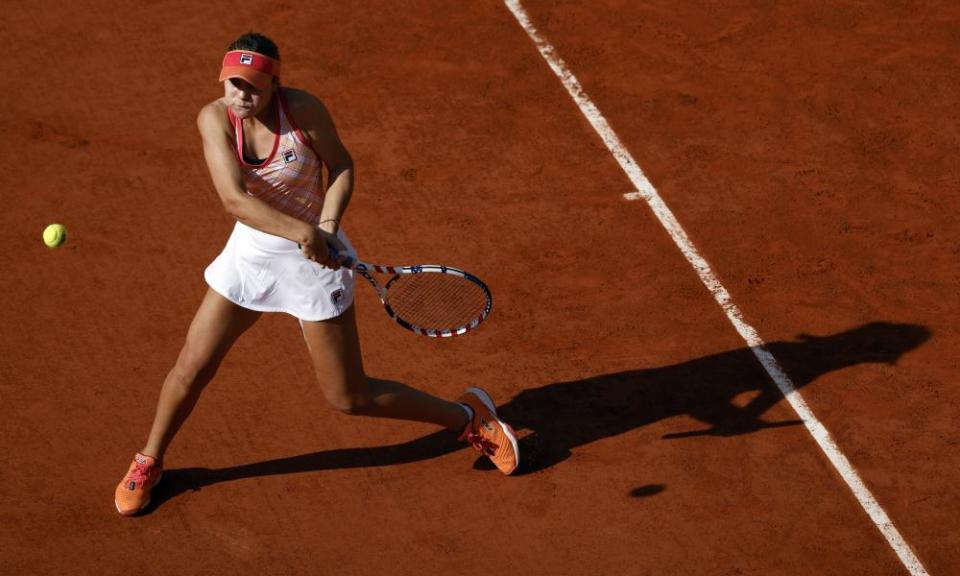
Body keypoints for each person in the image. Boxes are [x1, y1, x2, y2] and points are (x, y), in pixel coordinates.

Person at [114, 32, 519, 516]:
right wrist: (302, 232)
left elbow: (342, 165)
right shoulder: (214, 119)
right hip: (253, 254)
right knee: (192, 365)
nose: (242, 95)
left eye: (254, 87)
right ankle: (149, 459)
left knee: (351, 396)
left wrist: (325, 227)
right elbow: (232, 200)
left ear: (275, 85)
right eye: (234, 84)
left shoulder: (302, 110)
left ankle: (467, 417)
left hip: (315, 262)